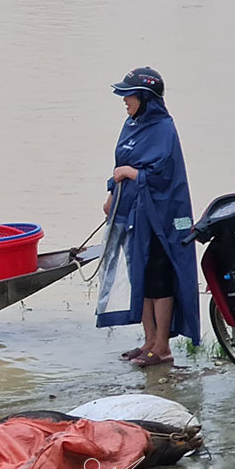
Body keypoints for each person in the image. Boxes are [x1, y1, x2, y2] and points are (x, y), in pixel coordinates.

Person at [97, 67, 200, 367]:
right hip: (132, 216)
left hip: (160, 218)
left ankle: (163, 346)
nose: (124, 100)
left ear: (145, 97)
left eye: (128, 95)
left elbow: (162, 176)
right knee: (139, 278)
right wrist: (111, 195)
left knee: (158, 281)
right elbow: (122, 164)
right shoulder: (131, 125)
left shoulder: (164, 129)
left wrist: (130, 174)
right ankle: (147, 341)